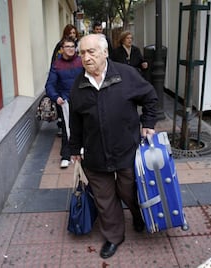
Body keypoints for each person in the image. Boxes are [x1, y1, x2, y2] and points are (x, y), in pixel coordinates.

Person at [69, 34, 158, 259]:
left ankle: (138, 215)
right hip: (95, 155)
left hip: (126, 150)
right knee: (105, 198)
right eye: (82, 53)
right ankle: (113, 237)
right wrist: (73, 150)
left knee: (128, 191)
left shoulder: (126, 75)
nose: (86, 57)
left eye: (91, 52)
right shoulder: (78, 86)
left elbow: (150, 97)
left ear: (105, 52)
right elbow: (75, 122)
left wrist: (148, 123)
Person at [45, 38, 83, 168]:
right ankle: (66, 155)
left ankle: (83, 150)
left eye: (72, 46)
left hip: (82, 99)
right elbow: (50, 85)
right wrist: (56, 97)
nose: (70, 49)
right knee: (67, 129)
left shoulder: (81, 61)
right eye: (67, 46)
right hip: (66, 101)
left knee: (86, 126)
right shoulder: (57, 64)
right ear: (61, 49)